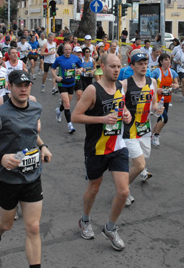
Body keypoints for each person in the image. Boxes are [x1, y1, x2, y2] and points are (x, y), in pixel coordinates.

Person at [0, 70, 52, 266]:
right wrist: (1, 158)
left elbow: (32, 133)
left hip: (32, 176)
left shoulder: (36, 108)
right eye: (18, 85)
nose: (23, 89)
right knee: (6, 224)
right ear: (10, 87)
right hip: (7, 178)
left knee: (33, 228)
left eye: (26, 85)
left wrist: (42, 147)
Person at [72, 53, 133, 251]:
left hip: (117, 146)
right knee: (94, 188)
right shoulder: (92, 90)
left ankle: (111, 227)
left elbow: (122, 108)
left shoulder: (121, 87)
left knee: (124, 191)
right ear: (102, 67)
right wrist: (102, 119)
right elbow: (76, 117)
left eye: (119, 66)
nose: (116, 69)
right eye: (112, 66)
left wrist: (127, 115)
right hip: (96, 148)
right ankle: (85, 220)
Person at [121, 52, 162, 206]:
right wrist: (124, 110)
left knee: (140, 162)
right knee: (140, 165)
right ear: (132, 66)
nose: (144, 66)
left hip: (145, 128)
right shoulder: (125, 83)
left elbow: (154, 103)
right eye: (140, 63)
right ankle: (123, 190)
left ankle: (123, 184)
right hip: (129, 130)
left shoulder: (152, 82)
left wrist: (157, 109)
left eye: (145, 63)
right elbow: (119, 102)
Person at [52, 43, 82, 134]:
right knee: (68, 105)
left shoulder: (75, 58)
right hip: (62, 84)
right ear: (63, 50)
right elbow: (52, 69)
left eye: (69, 49)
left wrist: (79, 70)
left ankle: (58, 110)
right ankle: (70, 125)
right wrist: (56, 77)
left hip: (72, 83)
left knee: (65, 103)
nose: (68, 51)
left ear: (71, 50)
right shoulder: (59, 59)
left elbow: (81, 67)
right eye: (66, 49)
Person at [150, 54, 179, 147]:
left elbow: (177, 83)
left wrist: (175, 86)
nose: (168, 62)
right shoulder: (156, 72)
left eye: (169, 60)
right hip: (158, 100)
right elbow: (149, 83)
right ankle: (156, 135)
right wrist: (156, 89)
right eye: (166, 60)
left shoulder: (172, 72)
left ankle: (150, 135)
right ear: (161, 61)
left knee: (160, 119)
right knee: (164, 118)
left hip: (167, 99)